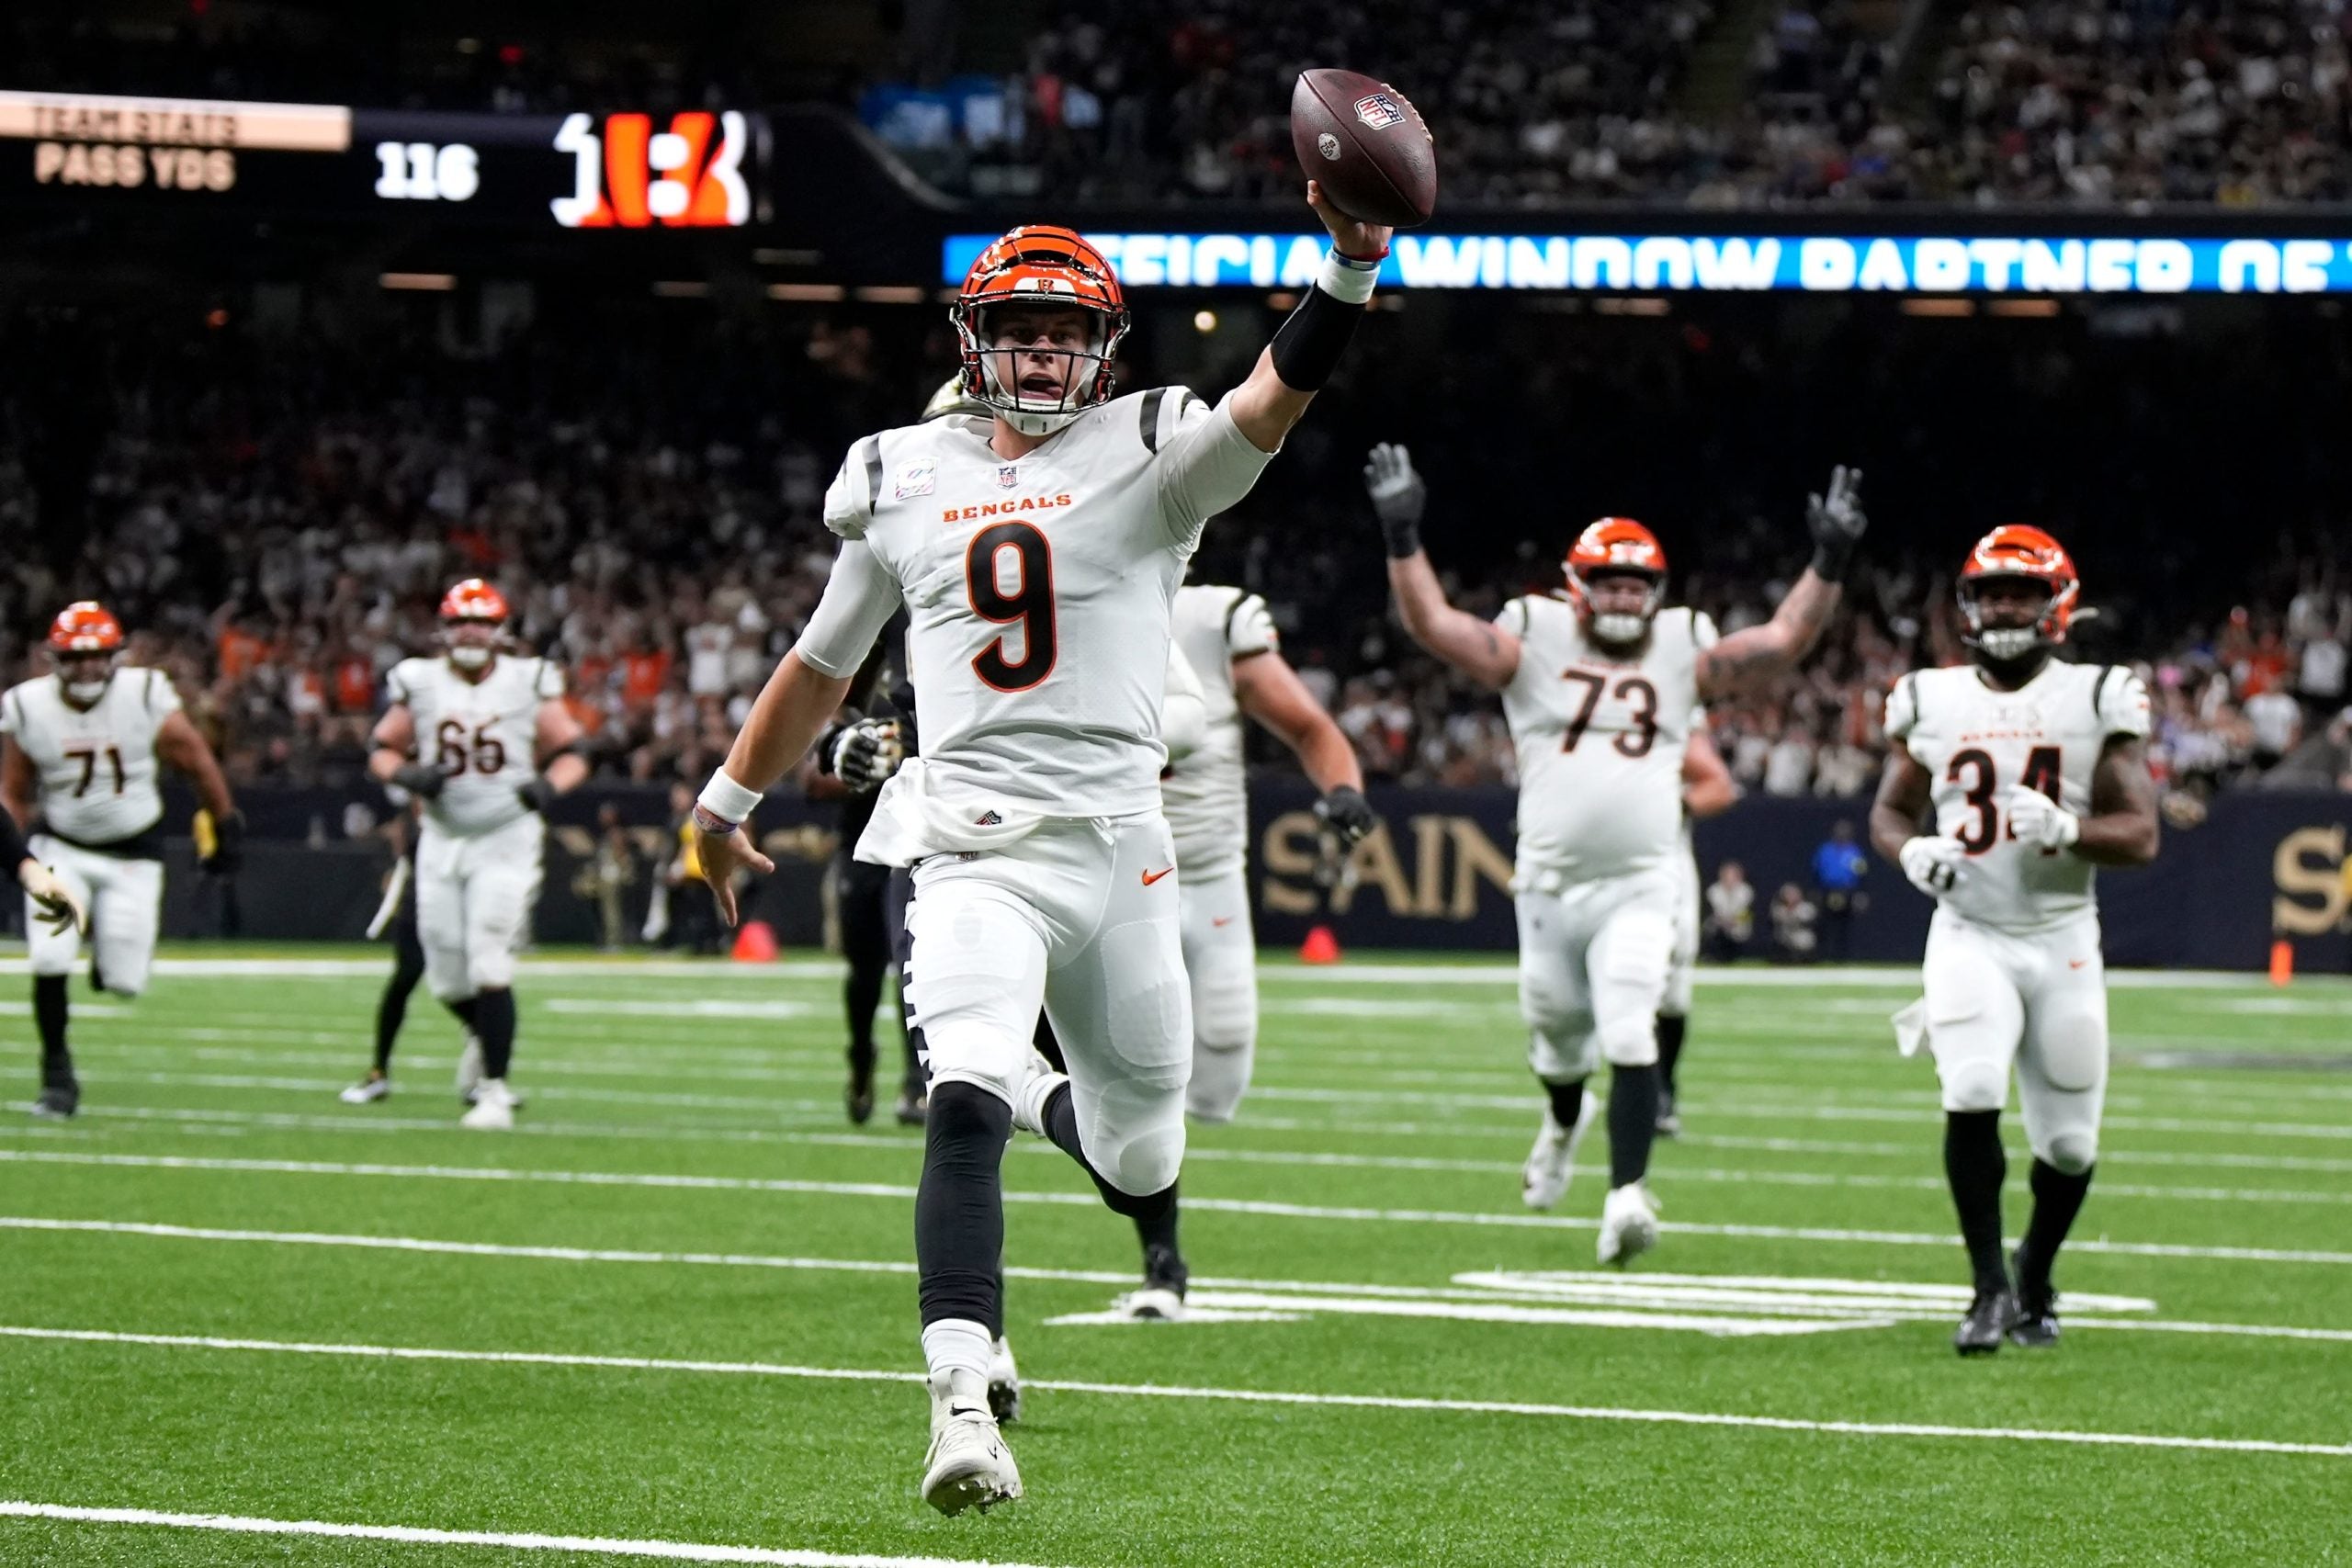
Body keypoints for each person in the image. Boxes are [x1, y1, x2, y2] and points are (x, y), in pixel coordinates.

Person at [690, 195, 1386, 1514]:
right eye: (1018, 329)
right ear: (976, 340)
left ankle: (1031, 1087)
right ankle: (961, 1398)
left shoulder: (1154, 450)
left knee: (1140, 1150)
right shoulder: (903, 473)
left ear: (1104, 349)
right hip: (969, 845)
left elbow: (1269, 401)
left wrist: (1348, 268)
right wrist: (725, 800)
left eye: (1066, 332)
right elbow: (819, 664)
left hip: (1124, 847)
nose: (1043, 355)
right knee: (956, 1096)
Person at [1365, 446, 1865, 1264]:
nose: (1625, 596)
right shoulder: (1535, 635)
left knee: (1631, 1027)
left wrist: (1830, 559)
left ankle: (1626, 1194)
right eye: (1612, 581)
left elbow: (1781, 641)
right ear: (1578, 586)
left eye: (1638, 584)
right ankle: (1564, 1122)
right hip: (1550, 886)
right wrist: (1402, 534)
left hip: (1641, 881)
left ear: (1658, 594)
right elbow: (1435, 626)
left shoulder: (1680, 647)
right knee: (1556, 1043)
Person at [1871, 525, 2159, 1355]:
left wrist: (2072, 827)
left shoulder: (2097, 695)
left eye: (2021, 592)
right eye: (1992, 590)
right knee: (1968, 1088)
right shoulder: (1930, 696)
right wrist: (1911, 848)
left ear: (2055, 604)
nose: (2004, 605)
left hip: (2062, 932)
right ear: (1968, 603)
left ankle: (2036, 1268)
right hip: (1969, 931)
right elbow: (1891, 811)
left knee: (2069, 1145)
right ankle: (1988, 1288)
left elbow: (2141, 834)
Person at [2, 602, 241, 1118]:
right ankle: (57, 1074)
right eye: (76, 657)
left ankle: (106, 957)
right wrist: (13, 855)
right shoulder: (27, 705)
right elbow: (15, 791)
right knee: (49, 958)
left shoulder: (144, 694)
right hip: (60, 846)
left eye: (98, 656)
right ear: (53, 658)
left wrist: (224, 823)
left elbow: (196, 759)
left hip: (134, 850)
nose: (88, 668)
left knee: (125, 983)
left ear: (116, 657)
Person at [368, 580, 588, 1131]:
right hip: (442, 839)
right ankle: (482, 1034)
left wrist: (549, 787)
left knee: (489, 956)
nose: (472, 630)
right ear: (444, 629)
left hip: (505, 836)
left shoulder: (526, 680)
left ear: (500, 632)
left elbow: (573, 750)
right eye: (462, 620)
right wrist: (409, 775)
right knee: (445, 976)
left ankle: (493, 1089)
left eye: (483, 621)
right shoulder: (418, 680)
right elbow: (381, 748)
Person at [337, 798, 492, 1106]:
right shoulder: (415, 812)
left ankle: (487, 1075)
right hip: (419, 906)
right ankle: (378, 1072)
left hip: (459, 906)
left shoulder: (464, 807)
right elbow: (405, 850)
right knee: (407, 979)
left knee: (467, 986)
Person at [1656, 723, 1738, 1138]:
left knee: (1670, 991)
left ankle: (1661, 1088)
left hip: (1659, 856)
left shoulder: (1668, 695)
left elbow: (1719, 787)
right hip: (1594, 850)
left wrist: (1669, 804)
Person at [1810, 818, 1869, 961]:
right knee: (1826, 924)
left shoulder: (1854, 851)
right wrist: (1816, 891)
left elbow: (1861, 873)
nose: (1842, 834)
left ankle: (1842, 956)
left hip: (1847, 891)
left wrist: (1860, 893)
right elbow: (1816, 870)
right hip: (1828, 890)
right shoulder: (1826, 850)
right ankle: (1824, 955)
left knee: (1844, 925)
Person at [1702, 860, 1756, 962]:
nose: (1728, 878)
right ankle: (1713, 955)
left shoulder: (1746, 891)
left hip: (1738, 925)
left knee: (1740, 928)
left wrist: (1735, 920)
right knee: (1711, 926)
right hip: (1720, 924)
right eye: (1726, 875)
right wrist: (1724, 921)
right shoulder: (1713, 890)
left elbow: (1746, 913)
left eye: (1731, 875)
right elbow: (1716, 911)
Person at [1770, 883, 1818, 961]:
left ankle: (1805, 959)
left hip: (1801, 933)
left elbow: (1806, 921)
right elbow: (1776, 919)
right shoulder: (1779, 908)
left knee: (1804, 939)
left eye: (1793, 894)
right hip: (1785, 934)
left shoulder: (1806, 907)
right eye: (1788, 895)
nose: (1791, 897)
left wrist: (1792, 915)